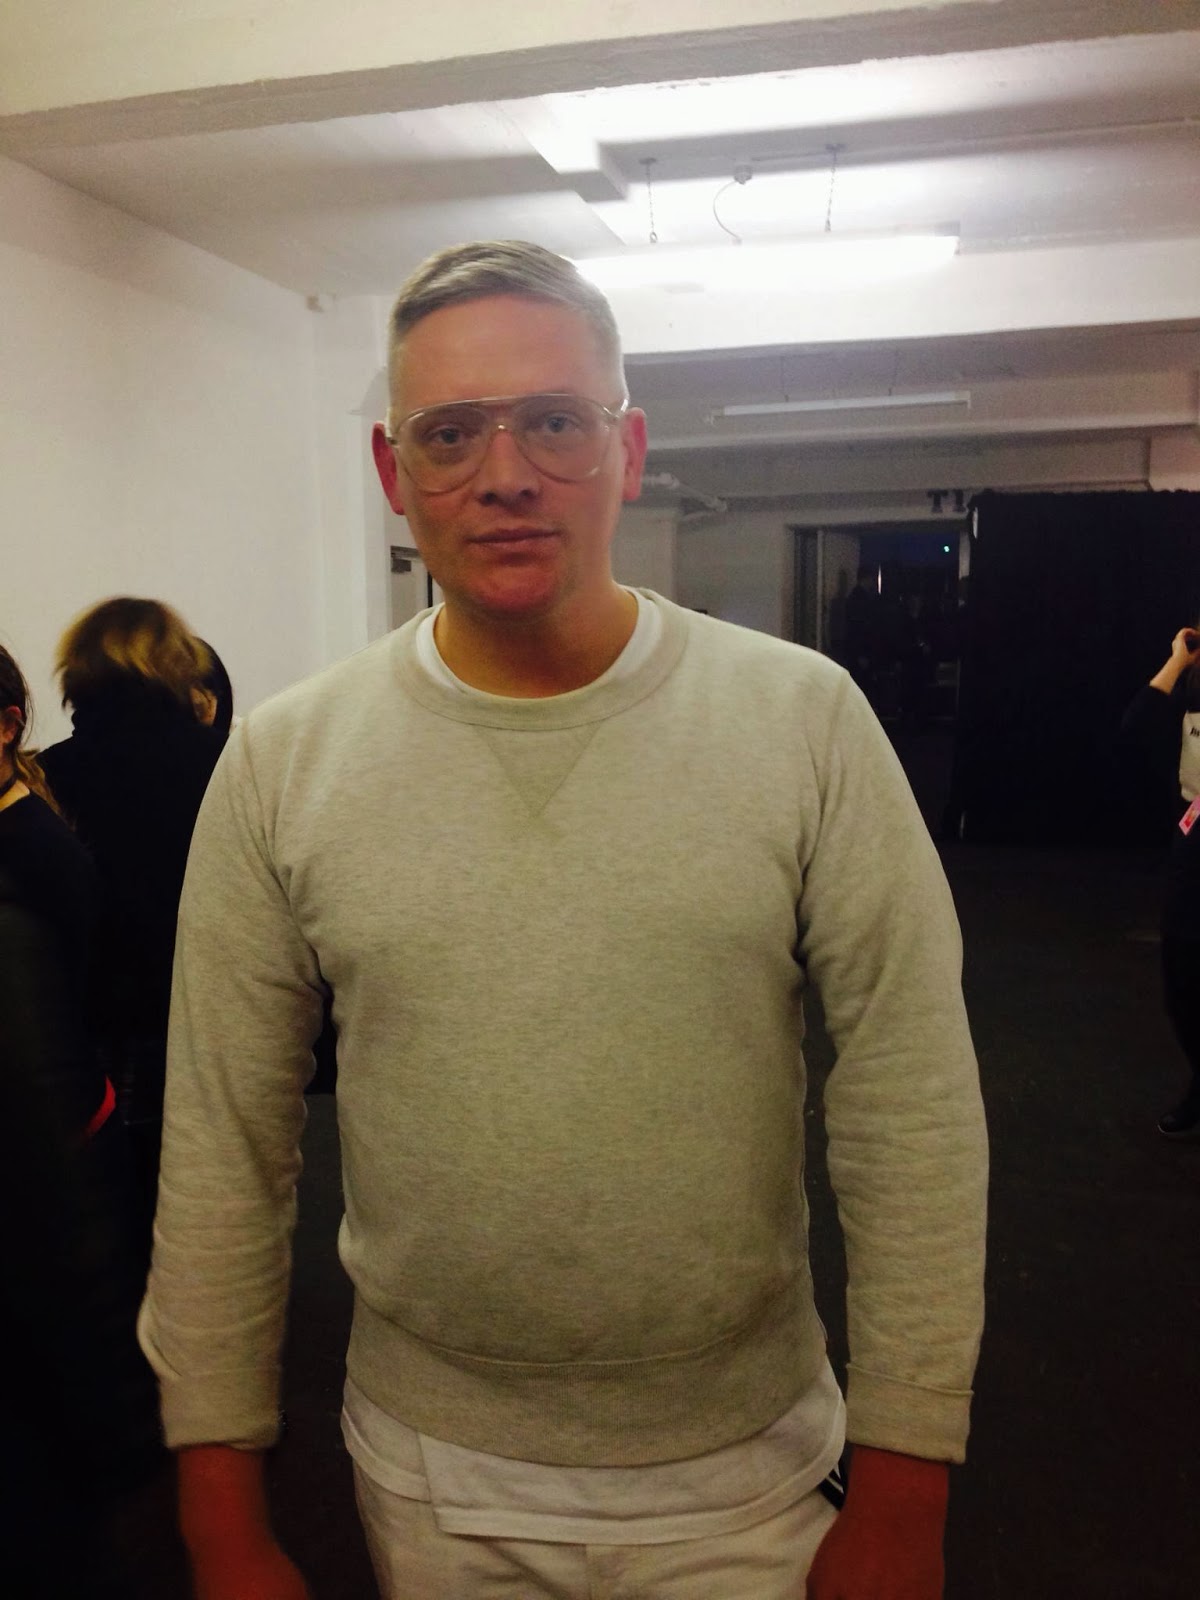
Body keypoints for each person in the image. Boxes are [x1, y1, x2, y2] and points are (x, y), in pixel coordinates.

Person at [139, 240, 988, 1600]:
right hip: (432, 1474)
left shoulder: (802, 720)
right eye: (451, 433)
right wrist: (219, 1511)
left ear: (628, 450)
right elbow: (225, 1145)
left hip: (750, 1464)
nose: (505, 473)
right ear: (392, 472)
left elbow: (913, 1107)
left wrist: (908, 1479)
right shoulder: (287, 762)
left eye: (553, 421)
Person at [40, 598, 228, 1255]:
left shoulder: (50, 774)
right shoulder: (225, 765)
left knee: (96, 1212)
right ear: (178, 664)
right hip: (204, 1014)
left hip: (86, 1021)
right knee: (206, 1207)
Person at [1121, 624, 1200, 1136]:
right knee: (1182, 981)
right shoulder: (1189, 695)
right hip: (1194, 840)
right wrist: (1177, 661)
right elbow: (1136, 727)